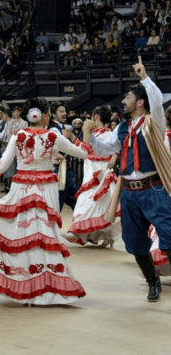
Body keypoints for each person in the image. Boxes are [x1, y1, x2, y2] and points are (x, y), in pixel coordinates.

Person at [0, 98, 90, 305]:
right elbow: (84, 153)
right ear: (42, 115)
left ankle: (24, 283)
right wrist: (84, 133)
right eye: (49, 112)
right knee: (43, 236)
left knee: (22, 235)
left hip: (21, 189)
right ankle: (47, 285)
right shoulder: (54, 136)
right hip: (45, 190)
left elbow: (2, 165)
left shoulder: (19, 135)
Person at [82, 56, 171, 302]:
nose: (123, 101)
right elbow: (102, 150)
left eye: (128, 98)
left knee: (169, 233)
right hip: (129, 193)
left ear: (140, 102)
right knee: (134, 240)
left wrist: (144, 77)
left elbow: (156, 102)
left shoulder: (154, 122)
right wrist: (88, 134)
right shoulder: (121, 129)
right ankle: (153, 282)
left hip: (153, 188)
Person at [62, 106, 121, 248]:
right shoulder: (94, 133)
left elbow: (115, 149)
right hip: (91, 172)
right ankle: (98, 235)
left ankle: (77, 231)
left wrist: (114, 158)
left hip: (101, 173)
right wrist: (72, 137)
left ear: (96, 117)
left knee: (95, 203)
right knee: (96, 204)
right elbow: (84, 149)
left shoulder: (108, 134)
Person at [49, 102, 79, 211]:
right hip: (59, 171)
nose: (65, 113)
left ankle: (82, 226)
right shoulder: (53, 129)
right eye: (61, 111)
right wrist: (65, 138)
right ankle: (51, 226)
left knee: (77, 202)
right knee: (58, 204)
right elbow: (57, 149)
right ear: (53, 115)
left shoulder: (60, 127)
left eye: (65, 111)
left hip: (66, 171)